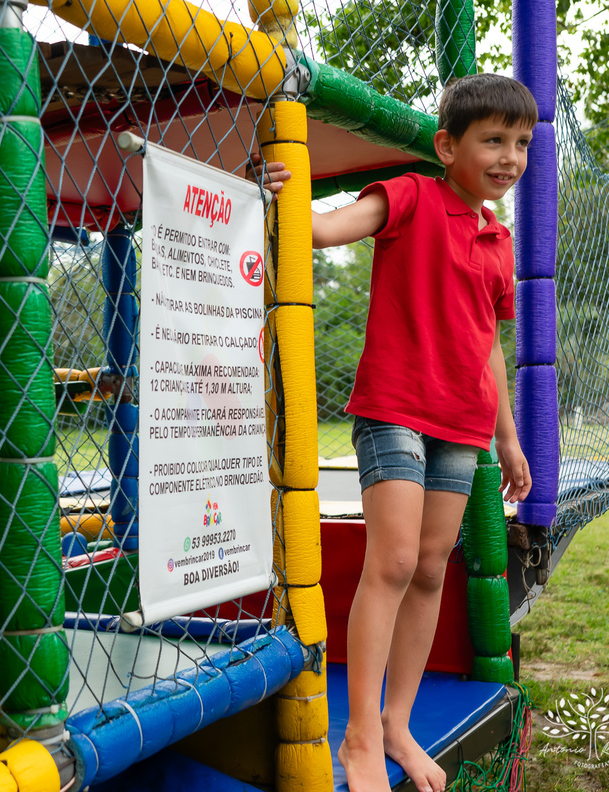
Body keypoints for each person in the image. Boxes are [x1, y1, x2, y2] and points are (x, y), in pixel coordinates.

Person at [250, 73, 536, 792]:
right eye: (493, 140)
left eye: (521, 143)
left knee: (433, 567)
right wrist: (277, 191)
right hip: (396, 408)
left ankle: (397, 725)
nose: (509, 157)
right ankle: (359, 737)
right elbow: (324, 229)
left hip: (464, 423)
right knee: (395, 560)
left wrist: (507, 437)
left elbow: (489, 345)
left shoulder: (499, 240)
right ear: (448, 146)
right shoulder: (411, 195)